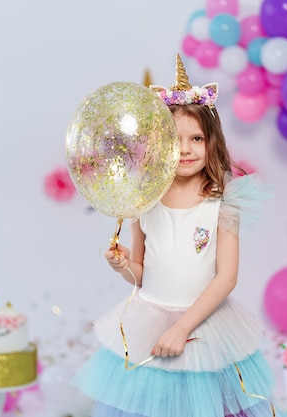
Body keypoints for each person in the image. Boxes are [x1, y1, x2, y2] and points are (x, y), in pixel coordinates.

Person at [73, 54, 276, 417]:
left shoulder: (223, 199)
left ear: (212, 141)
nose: (185, 149)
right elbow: (143, 273)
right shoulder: (145, 198)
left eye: (196, 138)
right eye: (176, 139)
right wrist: (123, 266)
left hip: (202, 325)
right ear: (157, 143)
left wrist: (182, 328)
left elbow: (226, 277)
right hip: (148, 320)